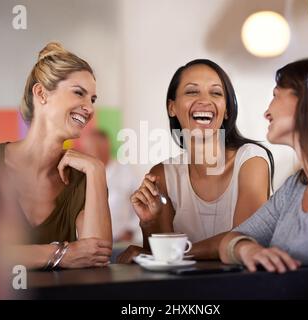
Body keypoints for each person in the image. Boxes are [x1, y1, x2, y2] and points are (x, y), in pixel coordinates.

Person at [0, 42, 112, 270]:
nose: (89, 108)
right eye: (79, 93)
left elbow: (96, 255)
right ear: (41, 93)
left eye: (92, 99)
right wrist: (61, 254)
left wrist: (96, 170)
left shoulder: (83, 176)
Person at [117, 59, 274, 263]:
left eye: (216, 93)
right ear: (172, 107)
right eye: (192, 92)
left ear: (226, 110)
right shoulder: (163, 174)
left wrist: (174, 253)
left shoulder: (251, 161)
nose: (205, 100)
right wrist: (149, 223)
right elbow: (162, 263)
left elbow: (244, 239)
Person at [219, 58, 308, 281]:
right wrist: (249, 250)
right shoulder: (294, 188)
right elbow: (231, 241)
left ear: (306, 100)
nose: (266, 112)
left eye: (275, 95)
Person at [81, 129, 141, 243]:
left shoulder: (127, 171)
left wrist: (130, 231)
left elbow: (141, 201)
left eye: (93, 146)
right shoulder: (81, 174)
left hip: (119, 241)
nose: (89, 151)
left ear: (106, 146)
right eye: (87, 148)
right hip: (88, 244)